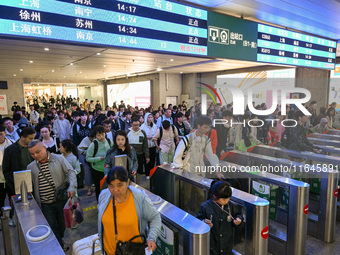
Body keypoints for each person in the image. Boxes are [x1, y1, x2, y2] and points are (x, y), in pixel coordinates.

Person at [98, 166, 161, 255]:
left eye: (119, 185)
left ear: (127, 182)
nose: (115, 190)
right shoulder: (104, 196)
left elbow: (155, 217)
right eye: (111, 186)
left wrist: (152, 237)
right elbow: (102, 217)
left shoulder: (139, 198)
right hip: (109, 252)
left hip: (133, 252)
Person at [27, 140, 76, 251]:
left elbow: (71, 172)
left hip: (61, 200)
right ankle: (59, 247)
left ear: (44, 148)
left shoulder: (59, 159)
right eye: (32, 154)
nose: (35, 155)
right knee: (52, 227)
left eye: (38, 152)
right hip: (45, 204)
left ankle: (59, 240)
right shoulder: (30, 167)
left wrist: (72, 187)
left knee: (62, 225)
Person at [197, 180, 243, 255]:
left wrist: (238, 221)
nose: (227, 201)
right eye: (224, 199)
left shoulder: (231, 206)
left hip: (227, 245)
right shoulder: (205, 207)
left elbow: (238, 215)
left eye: (228, 198)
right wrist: (203, 223)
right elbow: (199, 220)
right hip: (212, 245)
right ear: (214, 196)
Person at [3, 127, 36, 201]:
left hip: (33, 183)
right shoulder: (10, 150)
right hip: (16, 185)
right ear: (22, 137)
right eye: (30, 138)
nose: (32, 140)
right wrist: (12, 185)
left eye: (33, 138)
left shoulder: (33, 148)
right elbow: (6, 170)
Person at [86, 125, 113, 201]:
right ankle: (100, 204)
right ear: (95, 136)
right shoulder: (93, 145)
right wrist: (98, 159)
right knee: (99, 189)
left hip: (108, 170)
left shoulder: (109, 141)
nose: (101, 136)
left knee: (109, 188)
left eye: (103, 134)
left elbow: (114, 151)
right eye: (98, 135)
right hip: (97, 170)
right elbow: (88, 158)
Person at [127, 118, 149, 184]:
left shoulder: (142, 132)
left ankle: (138, 184)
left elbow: (145, 146)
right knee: (130, 170)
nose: (136, 127)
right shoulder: (128, 132)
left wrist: (147, 156)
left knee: (139, 171)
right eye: (134, 125)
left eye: (137, 125)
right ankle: (130, 184)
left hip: (140, 155)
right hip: (130, 155)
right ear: (131, 124)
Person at [0, 125, 14, 225]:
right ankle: (1, 220)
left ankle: (12, 218)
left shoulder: (12, 144)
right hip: (0, 179)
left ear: (5, 133)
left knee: (12, 199)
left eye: (0, 134)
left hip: (10, 177)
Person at [78, 131, 95, 196]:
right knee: (88, 173)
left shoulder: (96, 139)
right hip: (87, 159)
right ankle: (89, 188)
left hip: (96, 158)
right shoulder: (85, 140)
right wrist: (87, 151)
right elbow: (80, 149)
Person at [140, 113, 157, 179]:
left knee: (153, 160)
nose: (150, 119)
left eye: (151, 117)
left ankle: (151, 172)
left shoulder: (154, 126)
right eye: (149, 117)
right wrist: (147, 137)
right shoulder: (143, 126)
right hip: (146, 146)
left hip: (152, 145)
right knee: (147, 160)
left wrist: (153, 137)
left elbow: (156, 134)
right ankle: (147, 173)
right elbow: (141, 136)